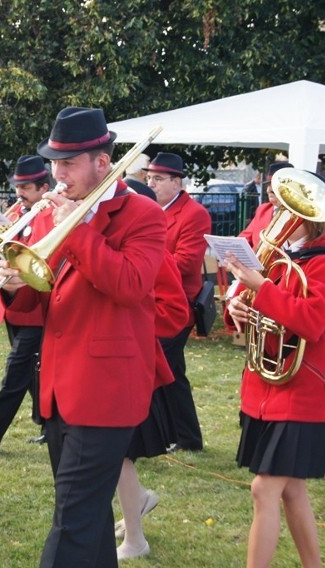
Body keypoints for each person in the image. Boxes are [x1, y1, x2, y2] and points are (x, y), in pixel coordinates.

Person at [0, 107, 167, 568]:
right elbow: (45, 297)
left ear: (100, 161)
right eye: (54, 163)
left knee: (71, 519)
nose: (57, 174)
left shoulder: (142, 214)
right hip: (59, 385)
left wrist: (79, 230)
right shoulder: (52, 214)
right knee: (87, 519)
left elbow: (131, 284)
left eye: (68, 163)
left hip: (108, 389)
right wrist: (18, 289)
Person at [224, 188, 325, 567]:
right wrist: (236, 309)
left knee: (264, 489)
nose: (274, 213)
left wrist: (262, 287)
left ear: (307, 217)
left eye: (283, 208)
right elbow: (246, 301)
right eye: (276, 206)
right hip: (267, 388)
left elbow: (310, 322)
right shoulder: (277, 259)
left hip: (303, 391)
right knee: (292, 491)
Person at [114, 185, 190, 561]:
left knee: (120, 454)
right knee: (116, 455)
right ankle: (137, 503)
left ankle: (135, 532)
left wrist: (127, 327)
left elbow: (175, 311)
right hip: (108, 363)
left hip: (133, 364)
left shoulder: (153, 250)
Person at [0, 155, 48, 452]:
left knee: (15, 372)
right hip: (13, 303)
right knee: (30, 370)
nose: (20, 193)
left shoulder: (50, 215)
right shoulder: (17, 212)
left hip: (37, 307)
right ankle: (48, 421)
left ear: (44, 188)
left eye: (26, 187)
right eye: (18, 186)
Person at [145, 152, 211, 452]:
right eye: (149, 178)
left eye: (158, 179)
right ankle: (182, 435)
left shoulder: (193, 213)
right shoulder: (151, 209)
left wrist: (143, 259)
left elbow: (187, 261)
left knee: (166, 370)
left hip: (177, 303)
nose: (152, 183)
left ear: (176, 181)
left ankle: (180, 435)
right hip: (152, 299)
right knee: (169, 370)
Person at [238, 162, 294, 249]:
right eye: (268, 185)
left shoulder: (298, 215)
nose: (268, 190)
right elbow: (244, 238)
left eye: (275, 185)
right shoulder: (263, 209)